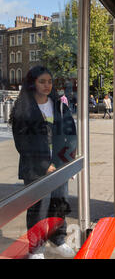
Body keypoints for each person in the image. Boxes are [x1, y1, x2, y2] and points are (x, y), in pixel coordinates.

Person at [9, 66, 77, 259]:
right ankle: (36, 248)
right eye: (42, 81)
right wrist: (44, 165)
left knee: (59, 203)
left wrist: (66, 162)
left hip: (59, 167)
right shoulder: (24, 109)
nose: (47, 85)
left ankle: (58, 240)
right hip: (35, 169)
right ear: (33, 83)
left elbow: (71, 137)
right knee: (38, 208)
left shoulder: (59, 106)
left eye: (49, 81)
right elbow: (22, 143)